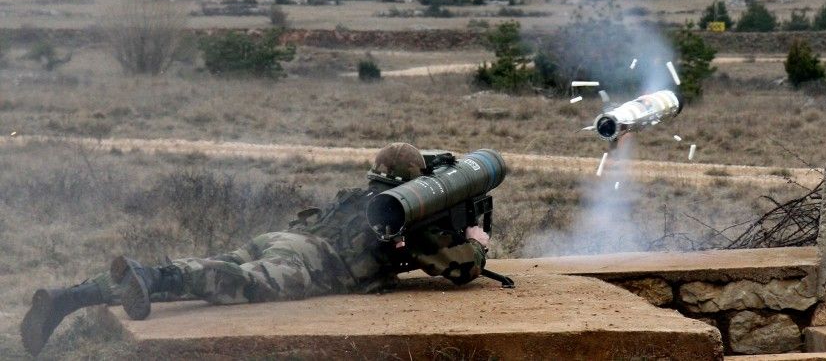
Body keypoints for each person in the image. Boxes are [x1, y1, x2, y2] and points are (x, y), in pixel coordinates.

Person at [21, 143, 492, 356]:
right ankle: (148, 277)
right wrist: (474, 241)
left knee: (217, 264)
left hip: (281, 240)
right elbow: (457, 272)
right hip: (310, 261)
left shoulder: (365, 196)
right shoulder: (401, 214)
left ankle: (70, 296)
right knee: (235, 282)